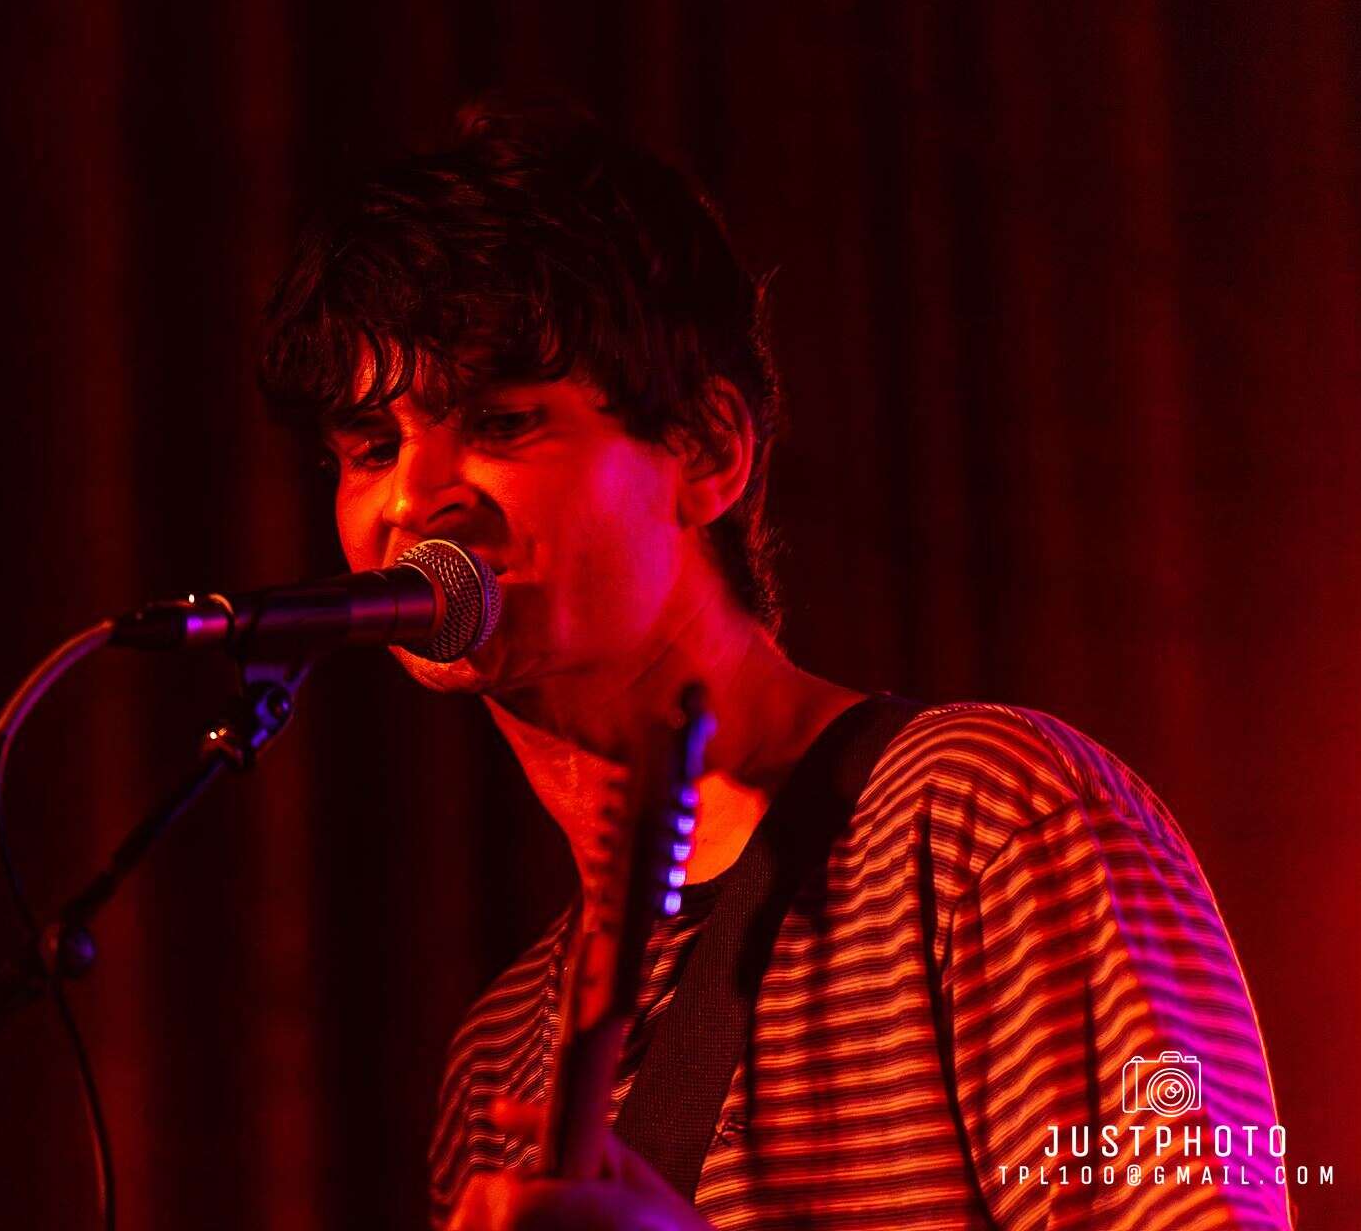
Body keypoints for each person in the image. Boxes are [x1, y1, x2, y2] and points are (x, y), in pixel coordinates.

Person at [256, 95, 1292, 1230]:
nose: (413, 499)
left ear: (707, 449)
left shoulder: (986, 821)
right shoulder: (496, 1056)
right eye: (371, 447)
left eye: (501, 423)